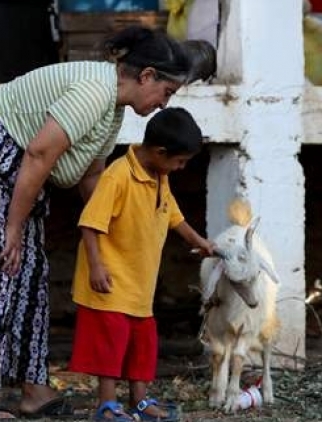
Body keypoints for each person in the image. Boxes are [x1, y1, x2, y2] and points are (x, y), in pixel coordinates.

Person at [0, 24, 215, 420]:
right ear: (147, 76)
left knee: (28, 271)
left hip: (17, 172)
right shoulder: (95, 90)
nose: (165, 104)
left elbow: (91, 174)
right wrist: (13, 228)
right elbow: (40, 153)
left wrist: (113, 233)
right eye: (167, 92)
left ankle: (33, 388)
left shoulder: (112, 109)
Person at [67, 107, 214, 422]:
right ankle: (106, 406)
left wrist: (198, 241)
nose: (181, 168)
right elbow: (90, 224)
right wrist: (95, 267)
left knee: (142, 343)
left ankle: (140, 401)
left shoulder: (160, 176)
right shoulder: (118, 176)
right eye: (180, 161)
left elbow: (173, 214)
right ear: (161, 152)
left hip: (139, 285)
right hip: (109, 280)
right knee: (110, 345)